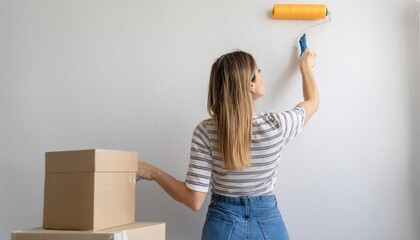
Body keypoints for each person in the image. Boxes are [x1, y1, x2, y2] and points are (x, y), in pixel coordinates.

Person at [137, 48, 319, 240]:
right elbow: (313, 102)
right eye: (259, 71)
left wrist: (153, 173)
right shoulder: (277, 125)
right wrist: (306, 67)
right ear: (250, 85)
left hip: (223, 227)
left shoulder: (206, 131)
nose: (262, 75)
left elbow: (194, 200)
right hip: (268, 225)